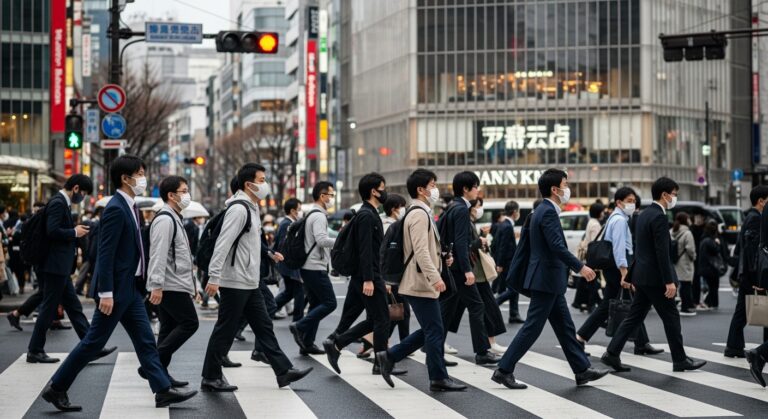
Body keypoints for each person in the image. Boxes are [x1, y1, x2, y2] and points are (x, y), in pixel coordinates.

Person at [42, 155, 197, 412]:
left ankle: (162, 390)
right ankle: (56, 387)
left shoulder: (131, 206)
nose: (144, 179)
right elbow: (106, 253)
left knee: (146, 341)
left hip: (131, 288)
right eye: (140, 174)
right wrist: (105, 292)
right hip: (115, 290)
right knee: (93, 342)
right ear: (125, 178)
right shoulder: (116, 208)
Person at [492, 169, 608, 389]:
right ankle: (504, 370)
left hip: (548, 279)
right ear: (555, 189)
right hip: (546, 279)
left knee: (565, 328)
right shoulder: (547, 212)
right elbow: (556, 246)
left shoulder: (541, 211)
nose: (567, 189)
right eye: (565, 184)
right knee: (532, 327)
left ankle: (582, 370)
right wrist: (580, 267)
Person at [201, 163, 312, 391]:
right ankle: (210, 377)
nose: (265, 184)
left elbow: (249, 244)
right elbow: (223, 243)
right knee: (225, 329)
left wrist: (268, 253)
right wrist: (214, 276)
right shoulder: (239, 209)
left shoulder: (251, 208)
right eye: (261, 180)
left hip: (249, 280)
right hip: (235, 280)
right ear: (248, 184)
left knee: (264, 327)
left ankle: (283, 370)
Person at [601, 177, 706, 374]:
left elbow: (641, 249)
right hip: (656, 278)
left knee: (634, 316)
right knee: (671, 317)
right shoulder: (659, 217)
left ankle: (612, 353)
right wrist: (669, 281)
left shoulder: (643, 215)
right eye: (674, 194)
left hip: (642, 275)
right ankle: (680, 359)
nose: (674, 198)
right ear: (664, 195)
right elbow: (661, 252)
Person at [376, 169, 467, 392]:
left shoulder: (420, 212)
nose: (435, 189)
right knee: (435, 330)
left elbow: (426, 249)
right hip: (419, 282)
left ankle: (390, 356)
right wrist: (435, 277)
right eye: (432, 185)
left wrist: (442, 257)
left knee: (431, 328)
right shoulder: (418, 214)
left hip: (419, 280)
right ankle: (438, 377)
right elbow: (420, 251)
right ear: (420, 189)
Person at [27, 174, 117, 364]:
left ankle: (91, 347)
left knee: (74, 308)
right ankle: (35, 350)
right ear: (75, 188)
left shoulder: (61, 202)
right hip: (55, 266)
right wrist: (74, 232)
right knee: (49, 308)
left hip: (59, 266)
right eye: (83, 193)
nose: (82, 197)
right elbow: (52, 230)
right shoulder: (58, 203)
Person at [324, 173, 404, 376]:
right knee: (382, 318)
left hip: (364, 275)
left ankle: (337, 343)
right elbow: (366, 250)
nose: (385, 192)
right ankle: (379, 362)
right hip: (368, 276)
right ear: (373, 191)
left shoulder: (368, 213)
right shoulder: (367, 216)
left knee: (374, 318)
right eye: (383, 188)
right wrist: (370, 279)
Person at [577, 188, 662, 356]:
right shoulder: (620, 220)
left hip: (614, 267)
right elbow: (618, 247)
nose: (632, 204)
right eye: (629, 201)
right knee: (619, 304)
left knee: (632, 303)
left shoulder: (615, 217)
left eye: (634, 201)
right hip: (618, 267)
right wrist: (624, 272)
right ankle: (580, 338)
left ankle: (641, 343)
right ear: (618, 202)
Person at [438, 171, 500, 366]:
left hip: (451, 266)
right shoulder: (461, 210)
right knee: (476, 305)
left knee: (446, 311)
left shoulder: (452, 207)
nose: (477, 190)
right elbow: (461, 243)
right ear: (465, 189)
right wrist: (467, 270)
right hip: (458, 269)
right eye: (475, 187)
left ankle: (434, 350)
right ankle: (482, 352)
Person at [145, 176, 200, 388]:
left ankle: (160, 375)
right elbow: (158, 255)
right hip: (169, 284)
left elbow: (183, 257)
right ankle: (151, 365)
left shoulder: (175, 218)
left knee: (168, 327)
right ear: (171, 195)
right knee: (190, 323)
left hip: (175, 283)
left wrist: (192, 286)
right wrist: (156, 285)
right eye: (183, 191)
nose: (187, 195)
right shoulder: (165, 220)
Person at [289, 181, 337, 355]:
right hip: (314, 266)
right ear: (322, 196)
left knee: (316, 303)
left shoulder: (313, 214)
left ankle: (307, 343)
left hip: (310, 266)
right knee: (330, 303)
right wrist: (341, 241)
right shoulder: (318, 216)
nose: (332, 198)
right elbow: (322, 240)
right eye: (331, 195)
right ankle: (299, 326)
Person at [725, 185, 768, 358]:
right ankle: (758, 350)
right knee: (750, 311)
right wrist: (757, 278)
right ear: (761, 201)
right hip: (752, 273)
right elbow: (753, 250)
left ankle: (733, 346)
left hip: (746, 273)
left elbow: (740, 248)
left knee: (741, 311)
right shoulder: (756, 219)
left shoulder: (750, 217)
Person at [466, 198, 507, 354]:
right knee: (483, 307)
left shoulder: (470, 222)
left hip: (476, 273)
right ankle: (487, 346)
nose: (480, 209)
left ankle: (490, 343)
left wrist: (481, 237)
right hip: (472, 273)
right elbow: (466, 246)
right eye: (478, 206)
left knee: (487, 307)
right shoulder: (464, 221)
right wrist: (479, 240)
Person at [273, 198, 306, 322]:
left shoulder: (288, 223)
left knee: (289, 293)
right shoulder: (286, 224)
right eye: (299, 209)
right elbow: (283, 245)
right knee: (298, 292)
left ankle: (266, 312)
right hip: (289, 264)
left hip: (288, 264)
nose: (301, 212)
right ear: (292, 211)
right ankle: (298, 321)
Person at [493, 200, 523, 324]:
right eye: (518, 211)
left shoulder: (504, 224)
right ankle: (494, 304)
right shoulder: (507, 226)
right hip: (508, 263)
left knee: (514, 287)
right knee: (513, 289)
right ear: (515, 212)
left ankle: (514, 314)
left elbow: (496, 245)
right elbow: (503, 246)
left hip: (506, 262)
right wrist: (499, 264)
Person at [572, 202, 604, 313]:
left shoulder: (591, 221)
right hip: (593, 255)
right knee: (593, 280)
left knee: (588, 280)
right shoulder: (595, 225)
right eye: (602, 212)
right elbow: (596, 242)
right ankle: (592, 303)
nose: (603, 214)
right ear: (599, 213)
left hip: (588, 255)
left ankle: (582, 302)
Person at [698, 220, 729, 311]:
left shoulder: (703, 239)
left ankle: (711, 303)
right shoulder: (711, 241)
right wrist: (718, 243)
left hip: (706, 266)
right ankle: (711, 303)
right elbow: (717, 250)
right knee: (714, 286)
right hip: (711, 267)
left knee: (712, 286)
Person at [671, 212, 697, 316]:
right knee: (686, 285)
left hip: (674, 261)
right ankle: (685, 307)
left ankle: (677, 306)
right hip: (685, 261)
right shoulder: (687, 233)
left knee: (676, 284)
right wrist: (694, 257)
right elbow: (691, 249)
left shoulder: (671, 231)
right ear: (685, 220)